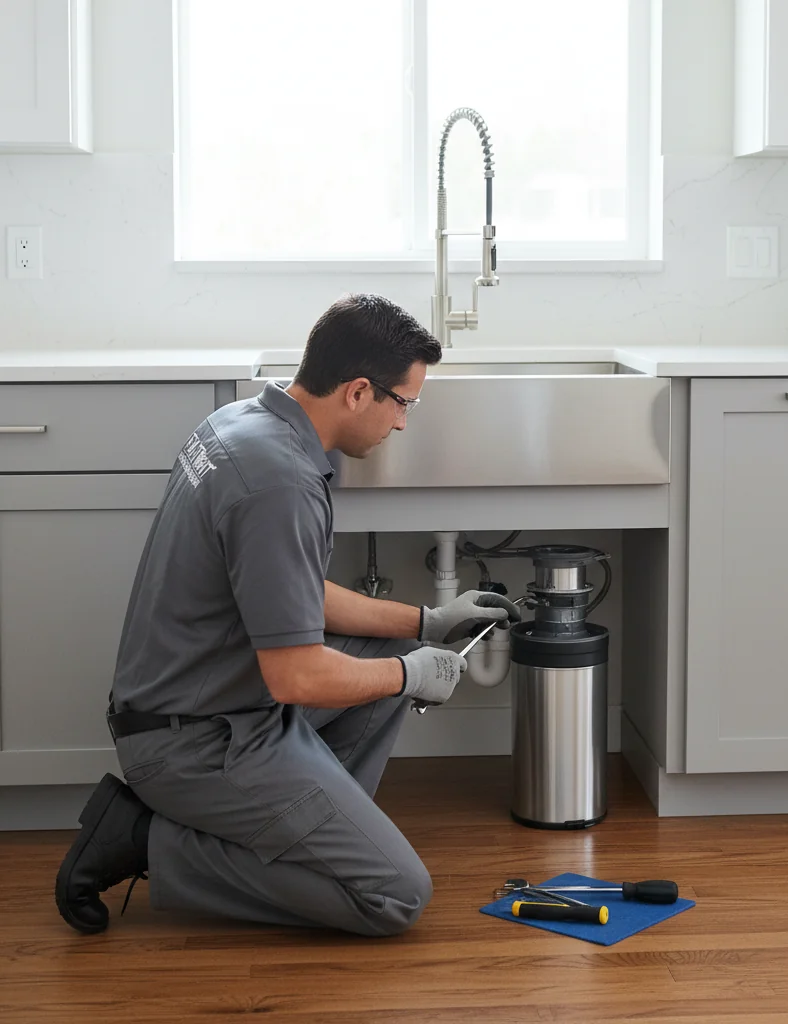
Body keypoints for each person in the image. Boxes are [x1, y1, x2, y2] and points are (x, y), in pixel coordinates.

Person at [54, 293, 519, 936]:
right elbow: (296, 678)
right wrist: (411, 675)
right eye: (403, 403)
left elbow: (290, 592)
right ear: (359, 392)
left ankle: (306, 830)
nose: (404, 423)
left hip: (199, 705)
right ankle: (145, 839)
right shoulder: (280, 482)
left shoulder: (243, 423)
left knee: (384, 664)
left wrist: (423, 622)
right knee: (393, 896)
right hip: (196, 740)